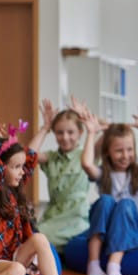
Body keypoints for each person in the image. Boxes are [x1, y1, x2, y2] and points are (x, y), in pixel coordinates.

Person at [81, 105, 138, 275]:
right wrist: (91, 133)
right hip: (107, 227)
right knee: (104, 200)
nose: (125, 155)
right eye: (119, 151)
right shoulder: (104, 173)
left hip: (136, 225)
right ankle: (93, 264)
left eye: (129, 150)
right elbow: (87, 164)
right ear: (107, 153)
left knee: (125, 203)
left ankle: (113, 266)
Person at [0, 122, 60, 275]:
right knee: (17, 271)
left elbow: (29, 158)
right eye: (16, 167)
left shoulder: (14, 188)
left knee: (40, 239)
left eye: (21, 166)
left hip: (10, 255)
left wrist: (44, 128)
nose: (22, 172)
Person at [28, 98, 92, 255]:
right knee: (32, 238)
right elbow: (28, 155)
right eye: (59, 132)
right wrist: (45, 127)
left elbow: (110, 130)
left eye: (71, 132)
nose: (65, 137)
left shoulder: (85, 154)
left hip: (76, 218)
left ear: (80, 133)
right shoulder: (51, 157)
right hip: (53, 216)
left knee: (35, 241)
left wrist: (89, 124)